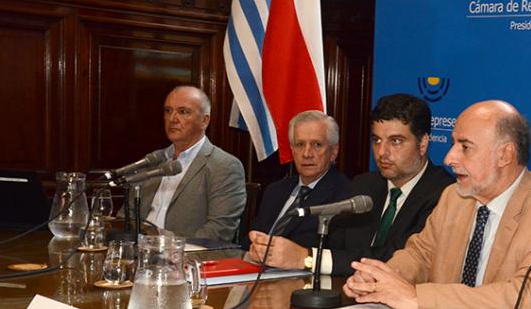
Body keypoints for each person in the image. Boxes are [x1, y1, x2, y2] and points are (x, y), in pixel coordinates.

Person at [343, 100, 531, 309]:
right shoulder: (454, 197)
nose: (449, 158)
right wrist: (380, 280)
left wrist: (417, 297)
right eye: (453, 144)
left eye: (465, 147)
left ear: (504, 155)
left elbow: (527, 299)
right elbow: (420, 255)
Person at [265, 93, 454, 274]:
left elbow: (397, 258)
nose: (382, 152)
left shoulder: (444, 193)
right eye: (377, 140)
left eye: (395, 141)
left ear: (422, 144)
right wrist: (275, 248)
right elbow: (333, 240)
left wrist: (307, 258)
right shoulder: (365, 184)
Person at [136, 85, 246, 242]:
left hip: (187, 258)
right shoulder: (153, 161)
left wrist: (170, 249)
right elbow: (127, 217)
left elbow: (219, 231)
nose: (173, 119)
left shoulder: (224, 166)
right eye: (168, 111)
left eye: (183, 112)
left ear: (204, 120)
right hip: (140, 254)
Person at [247, 111, 351, 264]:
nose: (307, 154)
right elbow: (250, 240)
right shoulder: (275, 190)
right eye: (300, 145)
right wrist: (254, 247)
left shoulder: (345, 194)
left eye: (317, 145)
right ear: (292, 150)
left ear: (333, 152)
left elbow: (335, 252)